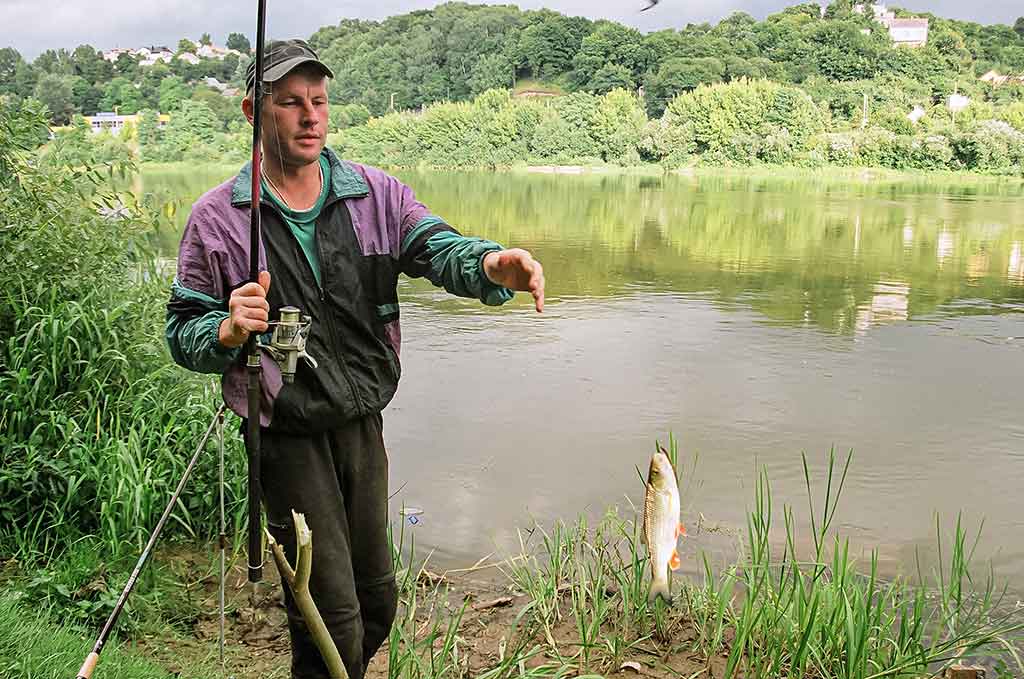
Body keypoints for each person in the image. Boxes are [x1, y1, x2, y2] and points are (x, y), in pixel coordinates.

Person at [165, 39, 544, 679]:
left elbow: (437, 247)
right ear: (254, 112)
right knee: (329, 615)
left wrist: (490, 265)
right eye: (290, 103)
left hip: (362, 422)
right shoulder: (220, 220)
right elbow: (183, 332)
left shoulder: (373, 195)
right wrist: (228, 332)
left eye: (319, 100)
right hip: (284, 433)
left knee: (376, 602)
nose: (310, 116)